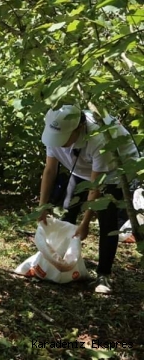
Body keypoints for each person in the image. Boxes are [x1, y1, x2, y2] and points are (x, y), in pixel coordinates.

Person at [37, 105, 139, 294]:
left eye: (65, 139)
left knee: (106, 219)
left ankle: (104, 274)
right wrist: (42, 206)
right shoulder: (54, 131)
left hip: (115, 171)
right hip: (82, 167)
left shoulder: (98, 138)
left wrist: (85, 223)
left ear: (78, 130)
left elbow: (96, 185)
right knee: (68, 209)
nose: (60, 143)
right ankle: (60, 261)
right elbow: (50, 170)